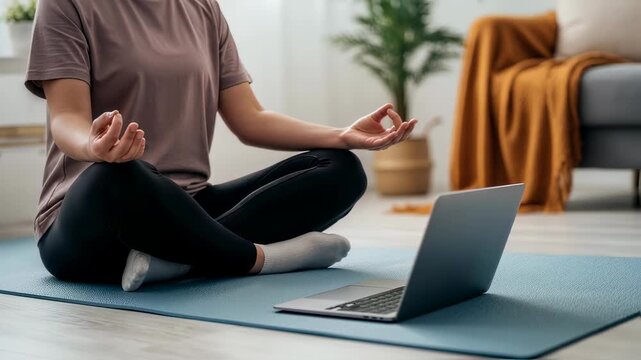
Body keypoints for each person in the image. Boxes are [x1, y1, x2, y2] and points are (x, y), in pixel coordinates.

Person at [25, 0, 418, 292]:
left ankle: (176, 260)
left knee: (340, 169)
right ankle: (262, 259)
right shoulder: (66, 4)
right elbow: (66, 120)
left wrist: (344, 135)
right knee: (120, 176)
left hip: (189, 206)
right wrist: (95, 147)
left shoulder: (202, 8)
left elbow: (251, 119)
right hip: (94, 217)